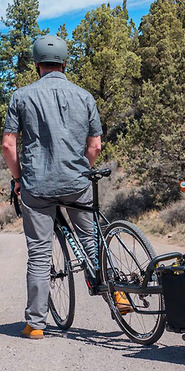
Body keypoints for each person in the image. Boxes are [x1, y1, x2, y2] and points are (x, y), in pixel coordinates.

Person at [2, 35, 103, 339]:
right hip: (77, 183)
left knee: (40, 252)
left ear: (36, 65)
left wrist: (19, 179)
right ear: (65, 62)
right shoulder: (84, 96)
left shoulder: (21, 97)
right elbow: (95, 146)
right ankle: (118, 294)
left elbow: (8, 146)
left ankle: (36, 324)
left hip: (38, 186)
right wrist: (79, 168)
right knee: (90, 238)